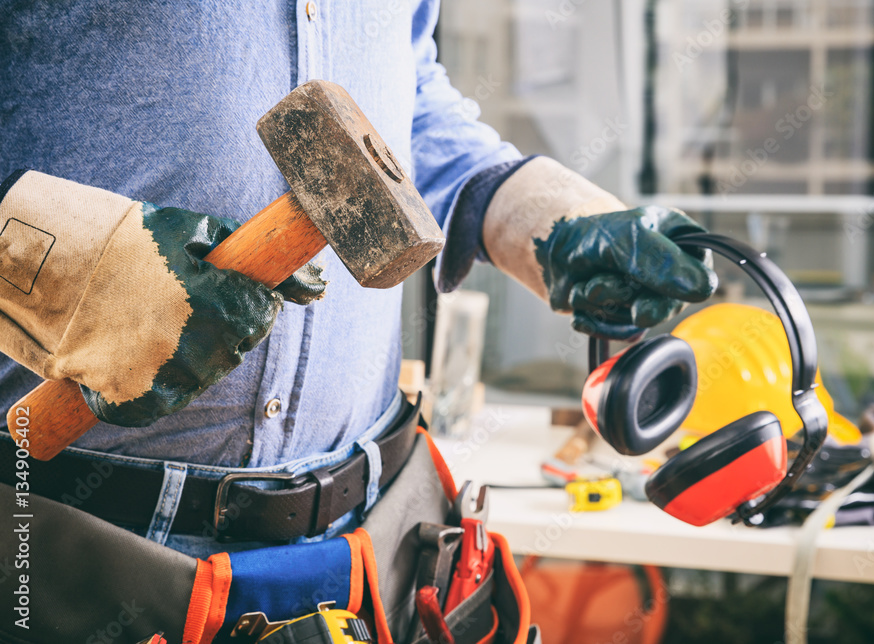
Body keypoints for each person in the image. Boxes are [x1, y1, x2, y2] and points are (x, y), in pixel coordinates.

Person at [0, 1, 715, 640]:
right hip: (71, 543)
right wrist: (72, 264)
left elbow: (412, 98)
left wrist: (535, 211)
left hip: (378, 546)